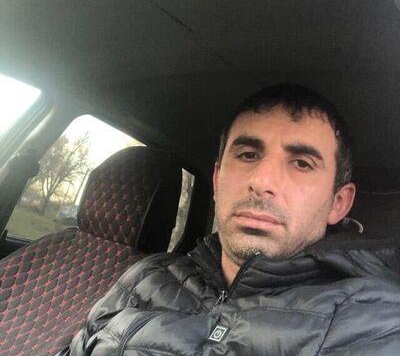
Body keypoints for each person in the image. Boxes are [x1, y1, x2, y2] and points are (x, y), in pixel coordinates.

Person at [60, 84, 400, 355]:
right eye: (248, 155)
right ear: (217, 180)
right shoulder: (146, 277)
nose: (262, 181)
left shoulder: (376, 323)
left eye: (301, 163)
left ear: (338, 204)